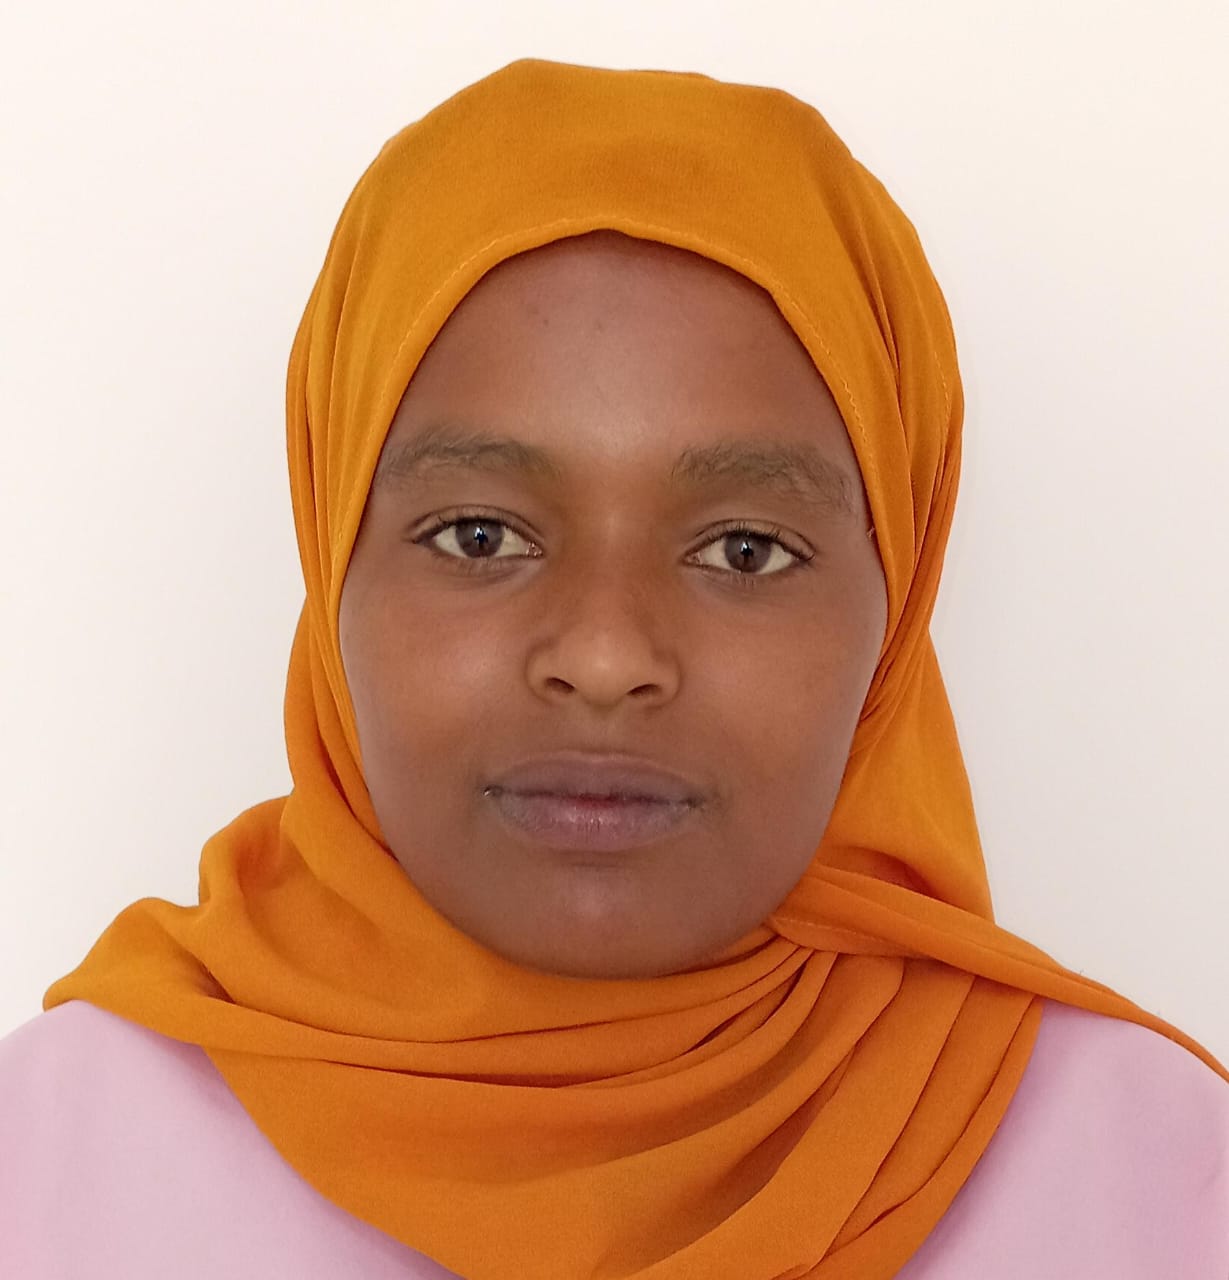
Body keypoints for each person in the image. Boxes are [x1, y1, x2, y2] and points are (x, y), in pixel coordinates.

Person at [1, 58, 1225, 1279]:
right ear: (333, 565)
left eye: (744, 550)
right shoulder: (48, 1158)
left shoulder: (1165, 1183)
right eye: (478, 536)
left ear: (895, 604)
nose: (602, 659)